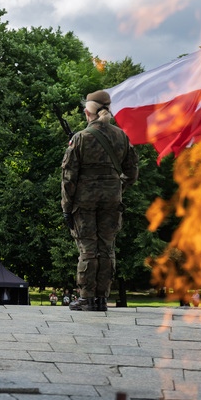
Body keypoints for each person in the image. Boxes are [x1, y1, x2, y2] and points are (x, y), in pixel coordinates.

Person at [61, 90, 139, 312]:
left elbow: (68, 179)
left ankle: (86, 298)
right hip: (112, 202)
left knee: (88, 249)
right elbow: (132, 173)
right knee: (106, 249)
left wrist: (66, 208)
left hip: (83, 204)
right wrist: (116, 186)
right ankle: (101, 299)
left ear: (88, 112)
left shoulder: (80, 138)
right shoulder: (121, 136)